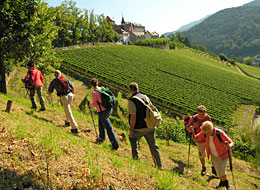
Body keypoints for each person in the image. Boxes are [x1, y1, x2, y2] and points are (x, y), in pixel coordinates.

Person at [128, 82, 162, 169]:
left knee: (133, 139)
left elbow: (133, 117)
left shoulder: (132, 101)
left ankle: (136, 160)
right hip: (150, 126)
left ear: (130, 90)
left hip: (139, 128)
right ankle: (159, 166)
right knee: (153, 146)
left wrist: (131, 130)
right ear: (138, 89)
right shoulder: (145, 97)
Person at [193, 121, 234, 190]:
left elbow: (231, 142)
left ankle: (227, 184)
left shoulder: (219, 133)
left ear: (211, 130)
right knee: (218, 171)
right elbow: (196, 138)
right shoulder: (205, 133)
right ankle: (222, 182)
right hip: (214, 155)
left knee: (220, 169)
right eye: (205, 133)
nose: (206, 134)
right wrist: (192, 131)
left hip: (223, 154)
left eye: (207, 133)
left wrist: (229, 146)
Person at [88, 78, 119, 150]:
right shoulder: (102, 88)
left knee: (108, 128)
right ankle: (102, 138)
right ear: (97, 83)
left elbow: (95, 104)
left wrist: (90, 104)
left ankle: (115, 145)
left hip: (102, 111)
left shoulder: (94, 93)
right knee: (101, 123)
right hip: (108, 109)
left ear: (91, 85)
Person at [187, 105, 212, 176]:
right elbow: (188, 129)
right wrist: (192, 127)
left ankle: (213, 167)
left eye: (203, 115)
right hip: (199, 139)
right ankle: (203, 167)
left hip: (208, 138)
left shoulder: (207, 117)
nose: (201, 116)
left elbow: (211, 127)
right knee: (201, 154)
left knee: (212, 153)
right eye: (200, 115)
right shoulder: (194, 118)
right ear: (197, 112)